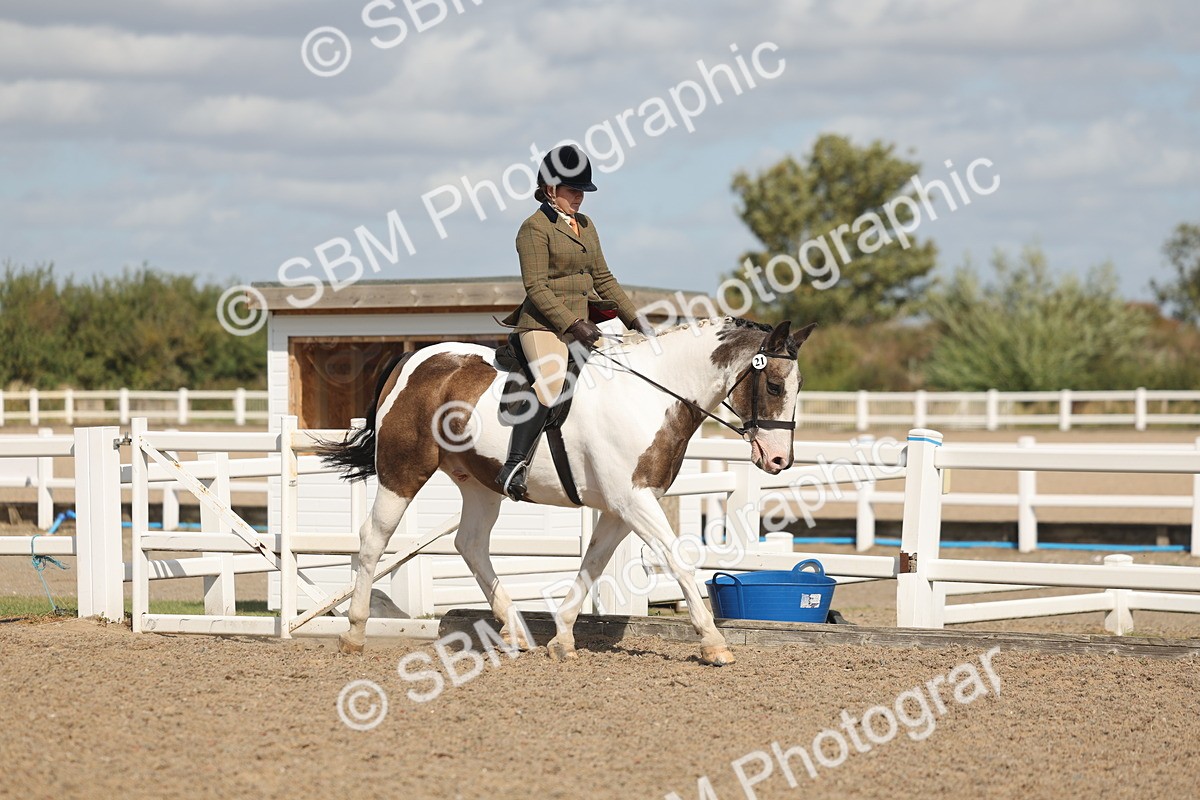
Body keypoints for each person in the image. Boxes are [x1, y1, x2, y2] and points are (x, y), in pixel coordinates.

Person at [496, 144, 652, 501]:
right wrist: (571, 324)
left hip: (582, 322)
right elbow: (535, 288)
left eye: (582, 191)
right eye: (573, 191)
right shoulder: (533, 229)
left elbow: (604, 278)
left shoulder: (586, 225)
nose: (579, 198)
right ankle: (514, 466)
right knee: (551, 386)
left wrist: (636, 321)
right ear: (551, 189)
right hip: (542, 325)